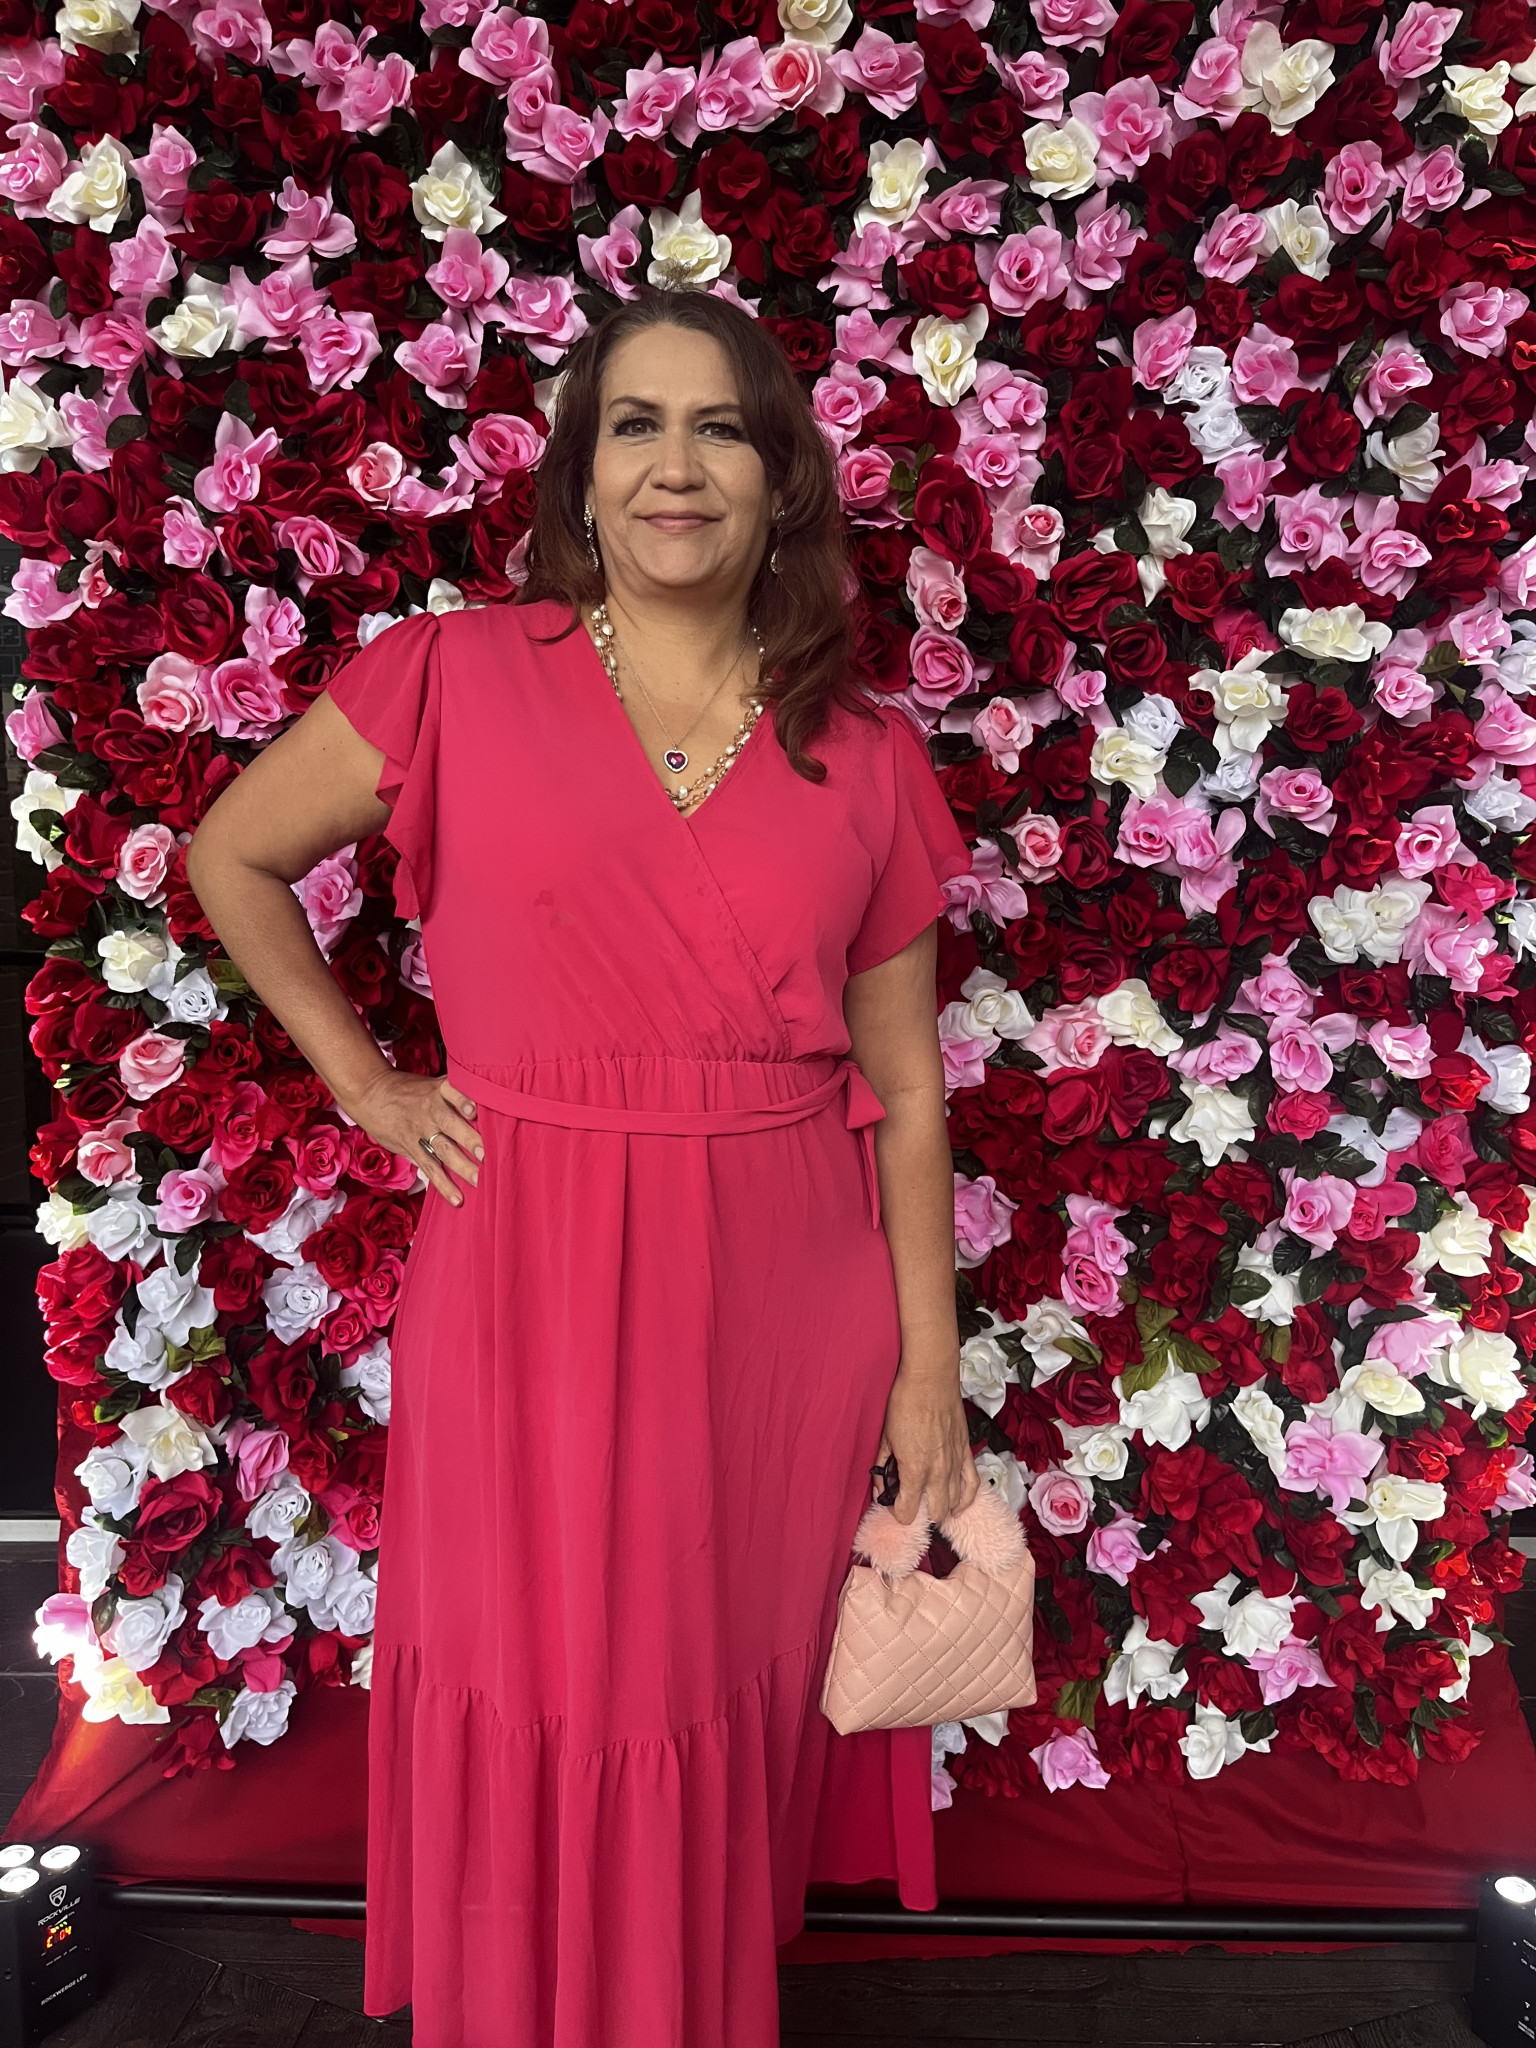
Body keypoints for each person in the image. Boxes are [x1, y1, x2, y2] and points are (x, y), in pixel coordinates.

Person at [185, 282, 979, 2048]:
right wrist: (370, 1087)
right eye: (636, 425)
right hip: (528, 1264)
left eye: (720, 430)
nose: (675, 468)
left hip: (783, 1300)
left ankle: (678, 2005)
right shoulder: (455, 676)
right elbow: (231, 851)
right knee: (539, 1666)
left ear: (780, 479)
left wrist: (929, 1372)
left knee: (702, 1681)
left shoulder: (865, 751)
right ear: (582, 471)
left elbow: (909, 1092)